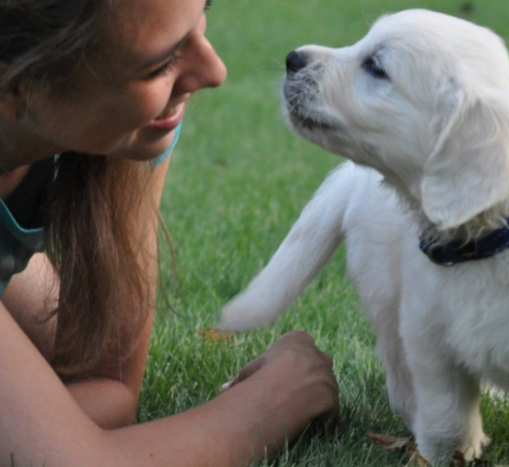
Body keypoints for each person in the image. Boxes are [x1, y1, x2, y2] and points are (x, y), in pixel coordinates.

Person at [0, 0, 339, 465]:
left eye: (203, 14)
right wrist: (279, 398)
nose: (215, 70)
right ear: (16, 87)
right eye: (160, 64)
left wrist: (46, 426)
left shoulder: (126, 129)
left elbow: (111, 384)